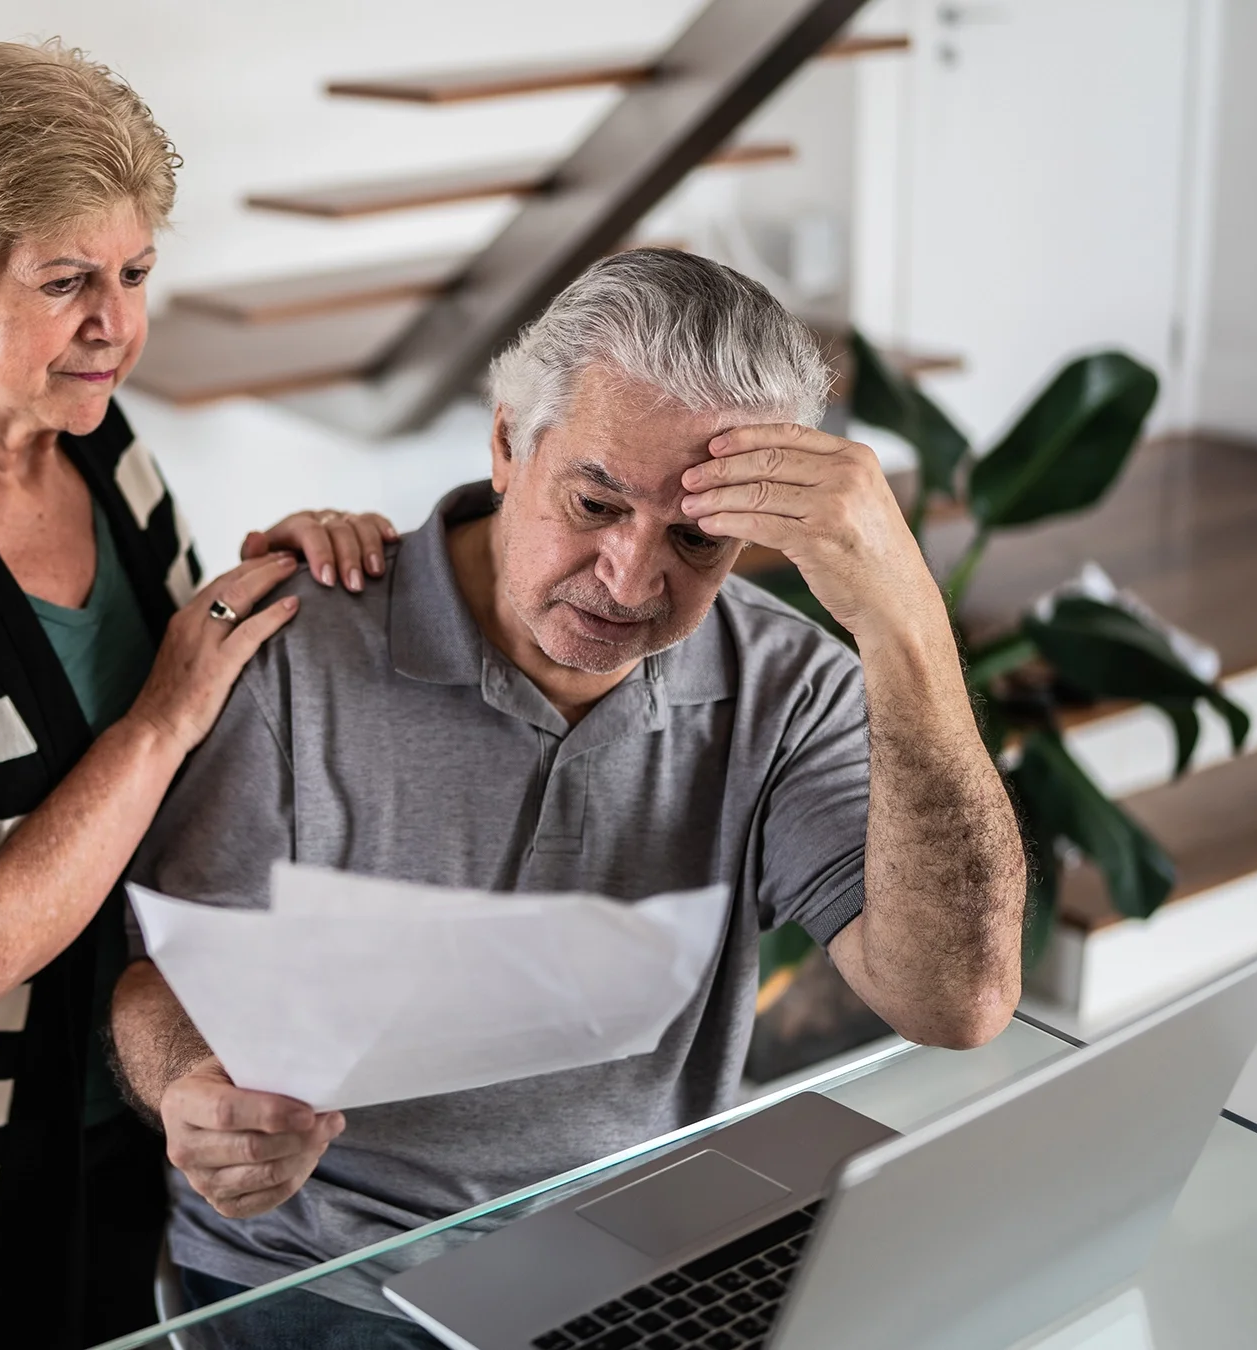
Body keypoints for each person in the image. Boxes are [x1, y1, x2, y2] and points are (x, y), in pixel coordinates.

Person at [111, 249, 1028, 1339]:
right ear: (507, 444)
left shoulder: (790, 689)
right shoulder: (296, 648)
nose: (632, 582)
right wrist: (192, 1090)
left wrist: (906, 624)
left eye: (698, 536)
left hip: (637, 1257)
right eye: (595, 503)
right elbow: (155, 977)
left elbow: (957, 1002)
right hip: (335, 1269)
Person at [0, 40, 396, 1350]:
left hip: (129, 1093)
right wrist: (165, 706)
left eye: (136, 272)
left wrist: (293, 589)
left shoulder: (109, 453)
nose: (118, 324)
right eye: (67, 283)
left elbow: (188, 747)